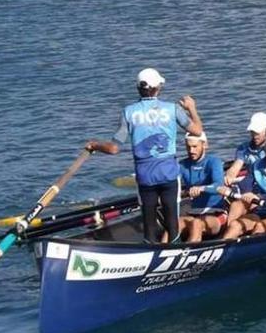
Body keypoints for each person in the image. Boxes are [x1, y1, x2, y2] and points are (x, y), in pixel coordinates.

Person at [85, 68, 203, 244]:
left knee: (149, 224)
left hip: (145, 176)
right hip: (168, 174)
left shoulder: (128, 112)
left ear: (138, 88)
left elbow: (113, 149)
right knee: (172, 223)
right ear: (157, 88)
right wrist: (192, 108)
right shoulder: (173, 109)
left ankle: (150, 248)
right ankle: (175, 249)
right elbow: (197, 130)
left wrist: (95, 144)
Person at [176, 132, 227, 243]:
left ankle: (187, 254)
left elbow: (219, 185)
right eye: (188, 147)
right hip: (194, 213)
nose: (191, 151)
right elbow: (174, 185)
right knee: (175, 224)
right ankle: (160, 250)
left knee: (197, 224)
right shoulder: (182, 165)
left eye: (195, 147)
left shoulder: (214, 162)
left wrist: (201, 188)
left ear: (204, 145)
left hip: (216, 214)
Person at [223, 112, 266, 186]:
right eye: (252, 132)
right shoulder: (243, 148)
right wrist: (229, 177)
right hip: (252, 183)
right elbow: (236, 166)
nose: (254, 136)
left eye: (257, 133)